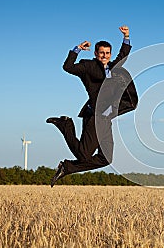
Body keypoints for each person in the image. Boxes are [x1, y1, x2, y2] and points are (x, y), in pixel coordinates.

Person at [47, 25, 138, 187]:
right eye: (101, 53)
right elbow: (67, 67)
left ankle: (67, 167)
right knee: (83, 155)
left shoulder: (113, 67)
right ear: (96, 53)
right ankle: (65, 125)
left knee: (106, 158)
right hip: (94, 116)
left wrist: (126, 37)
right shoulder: (88, 67)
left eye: (107, 53)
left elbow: (123, 55)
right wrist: (77, 49)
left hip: (106, 117)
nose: (105, 56)